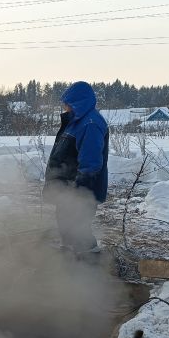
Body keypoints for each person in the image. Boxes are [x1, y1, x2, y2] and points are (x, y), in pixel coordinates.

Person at [43, 81, 109, 255]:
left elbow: (91, 161)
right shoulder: (76, 122)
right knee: (67, 227)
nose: (64, 107)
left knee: (78, 230)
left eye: (67, 103)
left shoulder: (90, 124)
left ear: (77, 102)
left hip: (80, 188)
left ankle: (91, 268)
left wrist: (79, 190)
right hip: (67, 188)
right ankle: (70, 267)